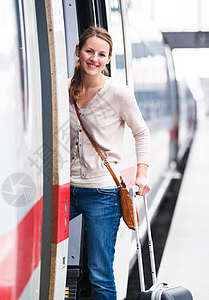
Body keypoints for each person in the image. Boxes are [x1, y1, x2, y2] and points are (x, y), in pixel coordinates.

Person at [69, 26, 151, 299]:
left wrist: (142, 174)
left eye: (101, 54)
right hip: (67, 188)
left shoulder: (118, 93)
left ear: (108, 59)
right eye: (89, 51)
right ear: (78, 51)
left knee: (99, 272)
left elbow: (141, 132)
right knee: (41, 252)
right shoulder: (66, 89)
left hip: (102, 193)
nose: (94, 58)